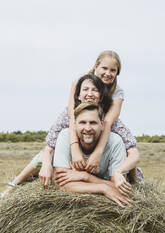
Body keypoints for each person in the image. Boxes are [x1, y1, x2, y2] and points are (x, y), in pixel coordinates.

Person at [0, 51, 140, 198]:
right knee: (43, 157)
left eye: (113, 70)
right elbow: (68, 123)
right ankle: (11, 187)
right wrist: (72, 152)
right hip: (74, 144)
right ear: (95, 67)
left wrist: (99, 156)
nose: (107, 73)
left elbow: (110, 123)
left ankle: (137, 187)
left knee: (124, 150)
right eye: (104, 68)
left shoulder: (114, 102)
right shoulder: (72, 108)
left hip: (103, 154)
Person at [53, 102, 132, 208]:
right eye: (82, 122)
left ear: (102, 125)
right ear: (75, 125)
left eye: (93, 123)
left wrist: (85, 176)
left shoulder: (115, 142)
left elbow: (118, 187)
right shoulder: (65, 136)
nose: (88, 128)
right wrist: (103, 188)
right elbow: (60, 184)